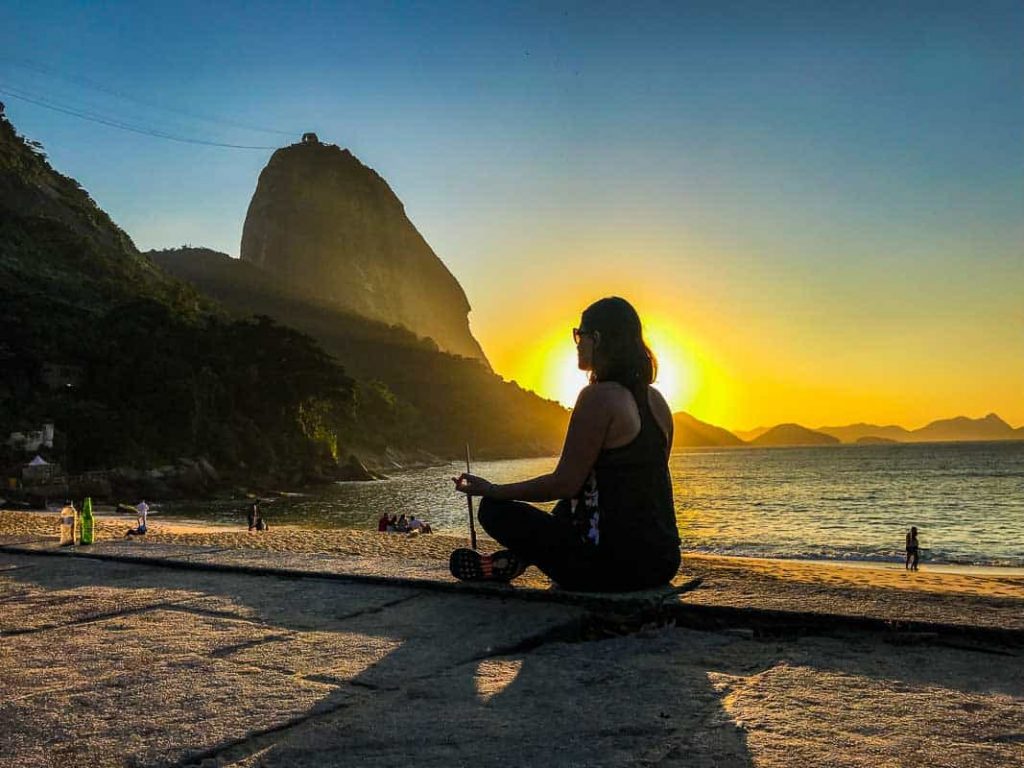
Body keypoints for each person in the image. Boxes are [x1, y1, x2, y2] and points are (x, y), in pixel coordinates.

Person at [451, 297, 680, 591]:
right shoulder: (657, 402)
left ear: (596, 338)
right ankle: (518, 558)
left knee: (494, 510)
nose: (576, 342)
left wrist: (492, 489)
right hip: (663, 561)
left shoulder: (598, 397)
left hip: (610, 567)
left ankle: (520, 557)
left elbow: (563, 484)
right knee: (575, 496)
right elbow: (642, 486)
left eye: (579, 334)